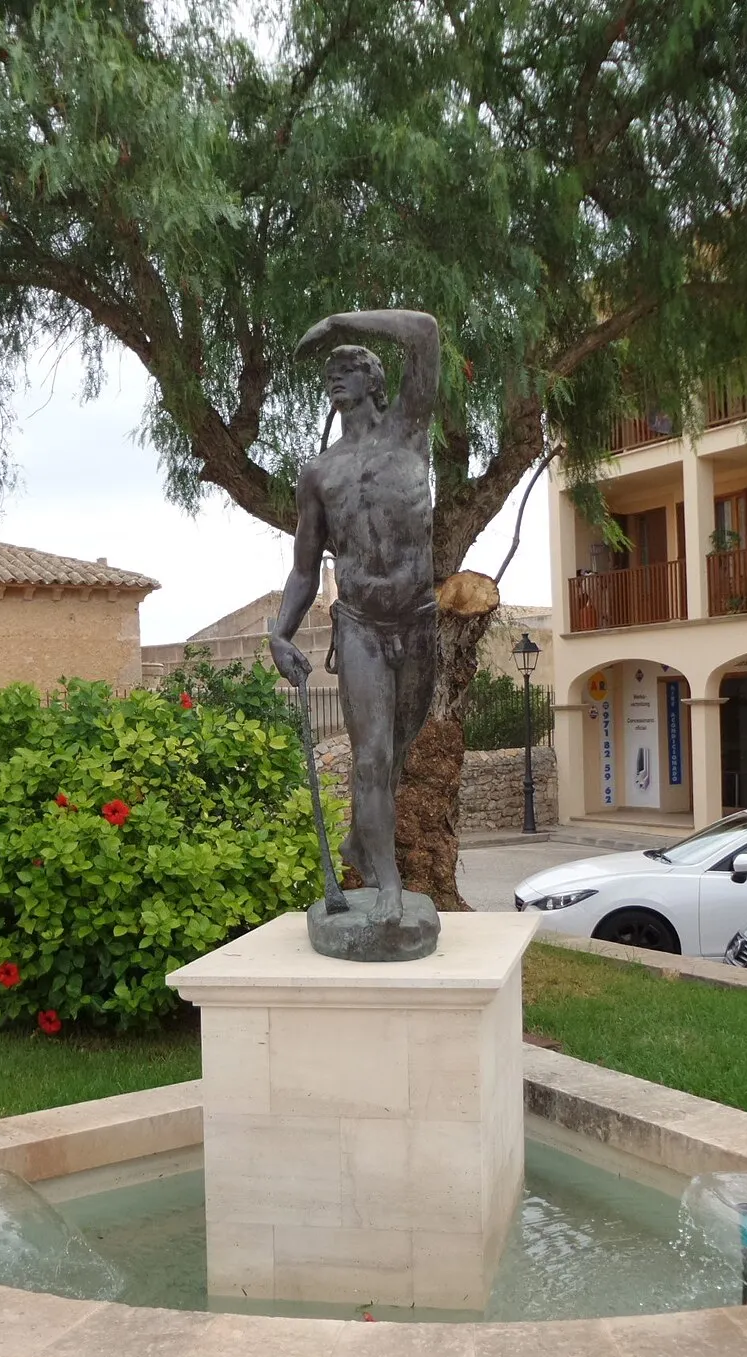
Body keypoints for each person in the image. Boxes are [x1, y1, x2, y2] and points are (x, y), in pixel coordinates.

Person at [269, 309, 440, 926]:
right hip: (361, 626)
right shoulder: (318, 473)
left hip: (418, 622)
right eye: (331, 371)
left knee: (393, 758)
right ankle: (387, 883)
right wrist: (279, 633)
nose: (335, 376)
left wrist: (343, 323)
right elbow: (303, 567)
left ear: (375, 381)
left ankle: (359, 841)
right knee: (370, 758)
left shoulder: (409, 432)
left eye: (348, 367)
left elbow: (423, 332)